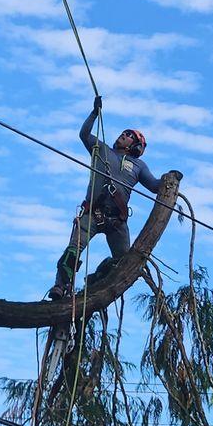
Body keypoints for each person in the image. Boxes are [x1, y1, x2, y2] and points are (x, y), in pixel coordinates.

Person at [47, 95, 163, 301]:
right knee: (73, 251)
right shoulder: (101, 149)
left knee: (124, 263)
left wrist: (169, 178)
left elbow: (155, 186)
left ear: (136, 146)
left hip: (117, 220)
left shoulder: (138, 167)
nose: (122, 135)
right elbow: (84, 134)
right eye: (123, 133)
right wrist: (94, 113)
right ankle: (60, 286)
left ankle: (96, 281)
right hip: (92, 211)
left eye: (128, 135)